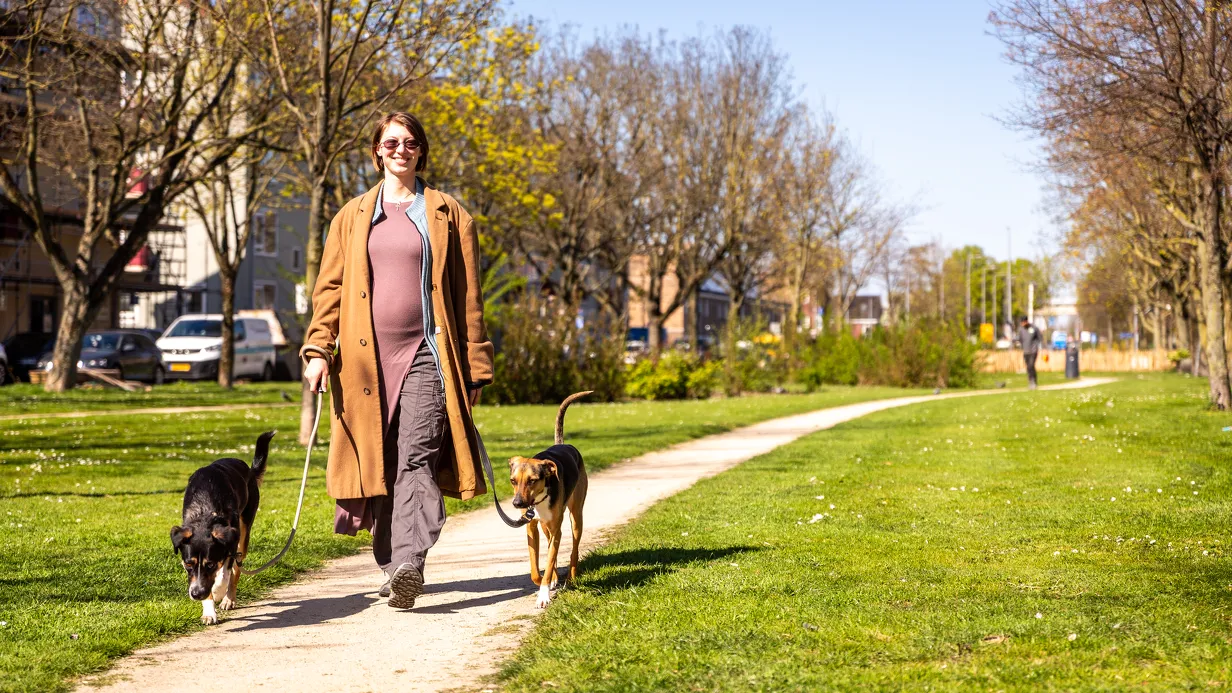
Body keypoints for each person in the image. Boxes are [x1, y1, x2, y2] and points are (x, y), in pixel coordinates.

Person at [301, 112, 494, 610]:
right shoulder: (351, 216)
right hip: (364, 363)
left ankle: (410, 561)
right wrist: (319, 349)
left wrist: (476, 365)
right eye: (391, 143)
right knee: (380, 459)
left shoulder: (449, 214)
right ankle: (391, 564)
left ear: (421, 151)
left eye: (410, 143)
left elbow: (469, 296)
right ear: (377, 151)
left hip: (428, 353)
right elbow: (329, 289)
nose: (400, 150)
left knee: (416, 455)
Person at [1018, 316, 1042, 389]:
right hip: (1026, 351)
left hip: (1033, 351)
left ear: (1026, 321)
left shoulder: (1034, 328)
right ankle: (1030, 381)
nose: (1023, 324)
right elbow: (1020, 339)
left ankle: (1033, 381)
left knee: (1031, 365)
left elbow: (1040, 338)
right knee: (1028, 367)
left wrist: (1037, 346)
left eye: (1024, 322)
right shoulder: (1021, 330)